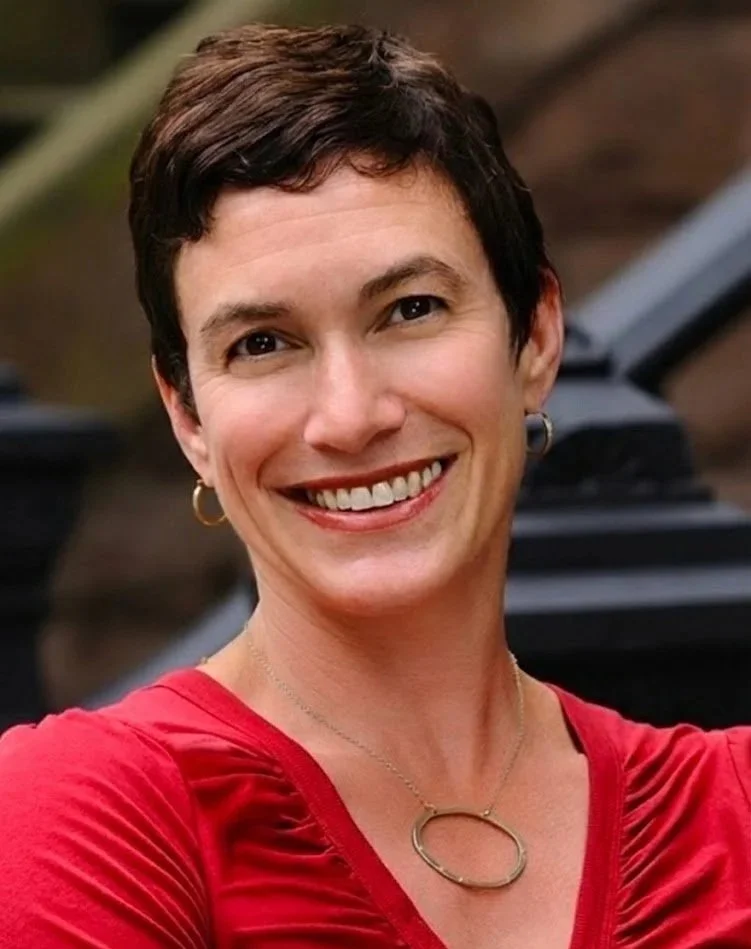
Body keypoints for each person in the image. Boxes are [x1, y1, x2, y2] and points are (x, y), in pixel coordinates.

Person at [1, 21, 750, 949]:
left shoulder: (730, 815)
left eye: (409, 310)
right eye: (262, 344)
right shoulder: (90, 820)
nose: (349, 416)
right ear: (188, 417)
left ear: (537, 337)